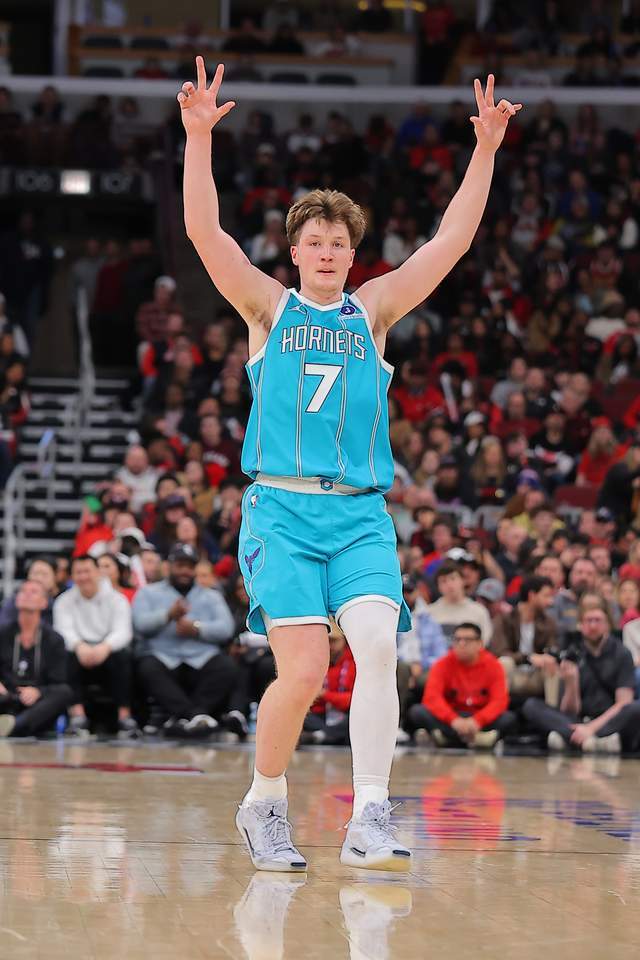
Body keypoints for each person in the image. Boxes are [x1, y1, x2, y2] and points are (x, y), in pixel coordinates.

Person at [178, 56, 521, 872]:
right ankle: (264, 802)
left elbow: (451, 242)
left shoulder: (375, 310)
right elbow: (205, 235)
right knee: (303, 672)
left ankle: (370, 813)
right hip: (282, 511)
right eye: (315, 242)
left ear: (352, 252)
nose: (327, 252)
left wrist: (484, 152)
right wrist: (198, 139)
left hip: (361, 513)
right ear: (295, 250)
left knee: (376, 645)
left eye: (339, 242)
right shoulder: (268, 306)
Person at [132, 542, 238, 736]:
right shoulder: (148, 592)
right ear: (169, 566)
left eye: (189, 566)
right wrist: (167, 615)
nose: (185, 571)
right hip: (164, 657)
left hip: (201, 657)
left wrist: (197, 628)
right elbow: (140, 624)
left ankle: (184, 719)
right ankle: (195, 716)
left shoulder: (211, 596)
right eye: (180, 565)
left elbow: (226, 628)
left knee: (227, 666)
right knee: (147, 668)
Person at [523, 605, 640, 753]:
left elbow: (623, 703)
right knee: (531, 705)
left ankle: (572, 738)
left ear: (607, 624)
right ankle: (589, 741)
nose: (593, 626)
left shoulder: (622, 653)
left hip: (610, 721)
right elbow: (569, 710)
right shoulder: (572, 654)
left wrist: (591, 728)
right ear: (581, 625)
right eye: (588, 621)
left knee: (635, 708)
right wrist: (571, 683)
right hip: (578, 720)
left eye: (597, 620)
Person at [52, 554, 138, 737]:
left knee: (124, 657)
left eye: (87, 571)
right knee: (65, 656)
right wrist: (79, 646)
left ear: (98, 572)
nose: (83, 577)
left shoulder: (117, 599)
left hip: (108, 650)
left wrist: (105, 647)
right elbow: (63, 631)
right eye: (78, 572)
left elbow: (123, 632)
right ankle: (77, 717)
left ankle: (124, 717)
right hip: (78, 651)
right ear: (72, 576)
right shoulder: (63, 601)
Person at [406, 622, 515, 749]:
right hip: (452, 717)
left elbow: (499, 701)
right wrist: (453, 720)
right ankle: (480, 739)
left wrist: (478, 720)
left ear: (480, 644)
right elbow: (432, 698)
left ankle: (445, 737)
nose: (461, 644)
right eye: (457, 640)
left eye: (468, 640)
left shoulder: (493, 665)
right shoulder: (442, 664)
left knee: (509, 718)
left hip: (479, 718)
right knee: (417, 711)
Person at [0, 580, 72, 738]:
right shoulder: (3, 633)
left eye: (33, 592)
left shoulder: (54, 639)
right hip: (6, 697)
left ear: (44, 602)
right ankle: (12, 726)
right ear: (17, 600)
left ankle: (14, 726)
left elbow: (58, 681)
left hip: (36, 703)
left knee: (64, 692)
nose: (27, 594)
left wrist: (39, 691)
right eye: (23, 591)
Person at [490, 575, 559, 702]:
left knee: (551, 665)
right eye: (546, 596)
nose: (551, 602)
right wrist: (528, 658)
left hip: (536, 674)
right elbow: (499, 652)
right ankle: (499, 707)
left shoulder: (548, 622)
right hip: (513, 672)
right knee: (504, 662)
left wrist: (548, 657)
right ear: (532, 595)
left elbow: (551, 649)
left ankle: (551, 710)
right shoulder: (504, 620)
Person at [301, 622, 355, 746]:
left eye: (334, 641)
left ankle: (320, 735)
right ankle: (326, 735)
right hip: (323, 715)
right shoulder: (316, 661)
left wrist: (325, 695)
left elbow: (353, 700)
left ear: (344, 641)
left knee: (359, 718)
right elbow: (310, 701)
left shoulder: (354, 662)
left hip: (346, 714)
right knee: (300, 715)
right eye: (327, 641)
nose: (330, 645)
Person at [427, 561, 493, 645]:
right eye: (443, 581)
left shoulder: (479, 611)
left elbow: (484, 642)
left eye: (453, 578)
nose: (449, 585)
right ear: (438, 587)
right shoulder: (429, 613)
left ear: (463, 580)